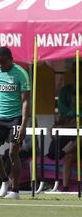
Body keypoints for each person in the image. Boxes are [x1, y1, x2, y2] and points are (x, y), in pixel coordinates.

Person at [0, 47, 30, 199]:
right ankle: (4, 181)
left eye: (2, 62)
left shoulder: (21, 74)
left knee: (12, 152)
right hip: (0, 119)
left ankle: (15, 191)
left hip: (15, 118)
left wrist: (23, 125)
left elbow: (26, 101)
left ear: (10, 59)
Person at [52, 63, 81, 192]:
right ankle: (64, 187)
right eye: (76, 72)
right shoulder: (66, 91)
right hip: (71, 133)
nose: (78, 75)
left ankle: (63, 151)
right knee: (69, 156)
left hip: (76, 131)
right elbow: (64, 115)